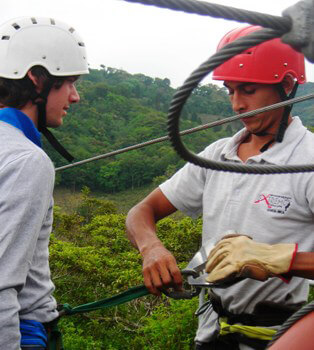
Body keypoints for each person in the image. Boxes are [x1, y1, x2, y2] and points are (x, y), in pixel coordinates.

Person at [126, 25, 314, 350]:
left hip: (279, 336)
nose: (237, 104)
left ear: (286, 85)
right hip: (212, 333)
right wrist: (151, 249)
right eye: (230, 90)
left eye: (248, 90)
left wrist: (279, 258)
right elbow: (142, 212)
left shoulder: (307, 160)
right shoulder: (218, 155)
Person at [0, 17, 88, 349]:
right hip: (21, 333)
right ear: (37, 79)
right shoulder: (27, 161)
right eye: (70, 82)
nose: (75, 96)